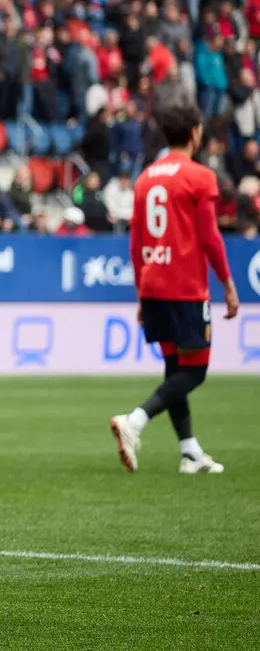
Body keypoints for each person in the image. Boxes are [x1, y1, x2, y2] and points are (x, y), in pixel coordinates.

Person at [110, 89, 239, 474]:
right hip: (185, 288)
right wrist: (228, 283)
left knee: (173, 366)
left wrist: (139, 292)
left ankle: (189, 451)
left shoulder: (145, 178)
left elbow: (136, 243)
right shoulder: (200, 177)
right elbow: (210, 237)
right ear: (196, 133)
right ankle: (134, 421)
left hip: (152, 285)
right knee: (194, 370)